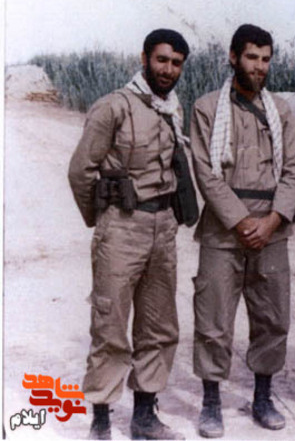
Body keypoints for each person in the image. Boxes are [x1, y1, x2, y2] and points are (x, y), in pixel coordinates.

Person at [68, 28, 190, 440]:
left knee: (159, 325)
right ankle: (101, 420)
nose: (167, 70)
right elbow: (81, 171)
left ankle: (144, 416)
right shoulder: (113, 107)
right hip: (122, 225)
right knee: (110, 323)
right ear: (144, 59)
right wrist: (102, 219)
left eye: (176, 63)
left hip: (163, 227)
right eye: (161, 60)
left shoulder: (173, 109)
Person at [189, 24, 295, 438]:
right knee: (213, 318)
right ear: (233, 57)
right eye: (252, 57)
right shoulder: (207, 108)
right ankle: (211, 403)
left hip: (272, 229)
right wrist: (240, 221)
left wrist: (272, 221)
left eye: (266, 59)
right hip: (223, 231)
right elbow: (205, 171)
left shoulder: (281, 111)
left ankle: (263, 397)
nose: (259, 66)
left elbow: (294, 170)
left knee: (272, 317)